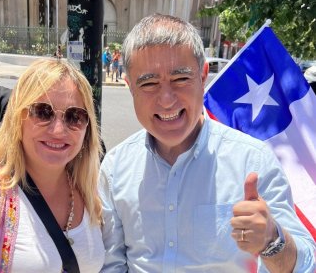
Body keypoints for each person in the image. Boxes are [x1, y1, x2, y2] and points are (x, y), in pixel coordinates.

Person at [98, 14, 316, 272]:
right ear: (130, 86)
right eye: (149, 83)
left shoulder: (253, 161)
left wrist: (272, 240)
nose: (166, 99)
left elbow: (305, 264)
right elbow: (111, 264)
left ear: (203, 77)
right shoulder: (115, 167)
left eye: (180, 79)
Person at [0, 59, 105, 272]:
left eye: (74, 116)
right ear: (16, 118)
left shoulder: (91, 189)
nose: (58, 130)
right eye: (42, 112)